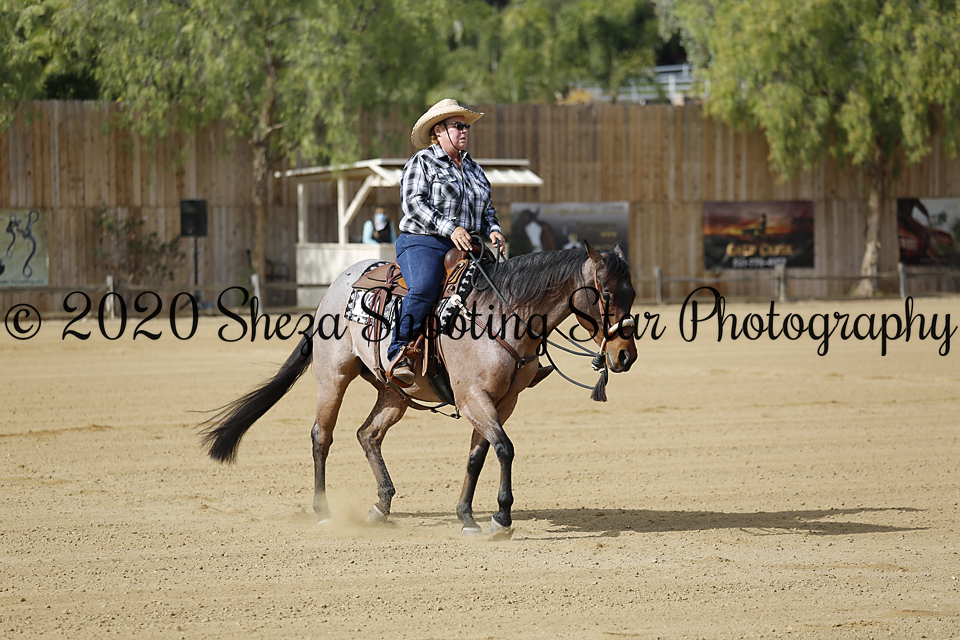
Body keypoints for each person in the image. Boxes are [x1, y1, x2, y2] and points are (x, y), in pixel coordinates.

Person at [386, 99, 506, 385]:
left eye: (466, 127)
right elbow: (414, 204)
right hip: (423, 241)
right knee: (424, 288)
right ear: (438, 131)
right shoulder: (422, 161)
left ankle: (512, 356)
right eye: (457, 126)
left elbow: (487, 208)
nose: (464, 131)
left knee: (504, 288)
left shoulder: (474, 168)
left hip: (467, 245)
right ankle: (400, 351)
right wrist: (450, 229)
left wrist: (494, 229)